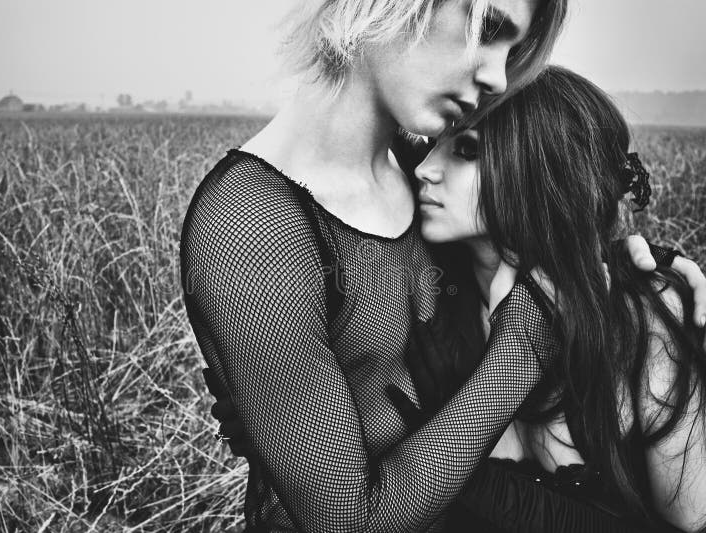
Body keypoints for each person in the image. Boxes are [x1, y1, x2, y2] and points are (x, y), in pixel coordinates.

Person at [180, 1, 706, 531]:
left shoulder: (412, 171)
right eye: (489, 29)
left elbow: (530, 206)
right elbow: (344, 523)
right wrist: (527, 336)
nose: (498, 77)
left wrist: (631, 267)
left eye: (513, 50)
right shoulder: (250, 223)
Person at [387, 65, 706, 532]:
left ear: (540, 170)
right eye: (437, 143)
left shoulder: (639, 320)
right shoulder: (428, 301)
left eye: (467, 149)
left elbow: (694, 521)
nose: (426, 169)